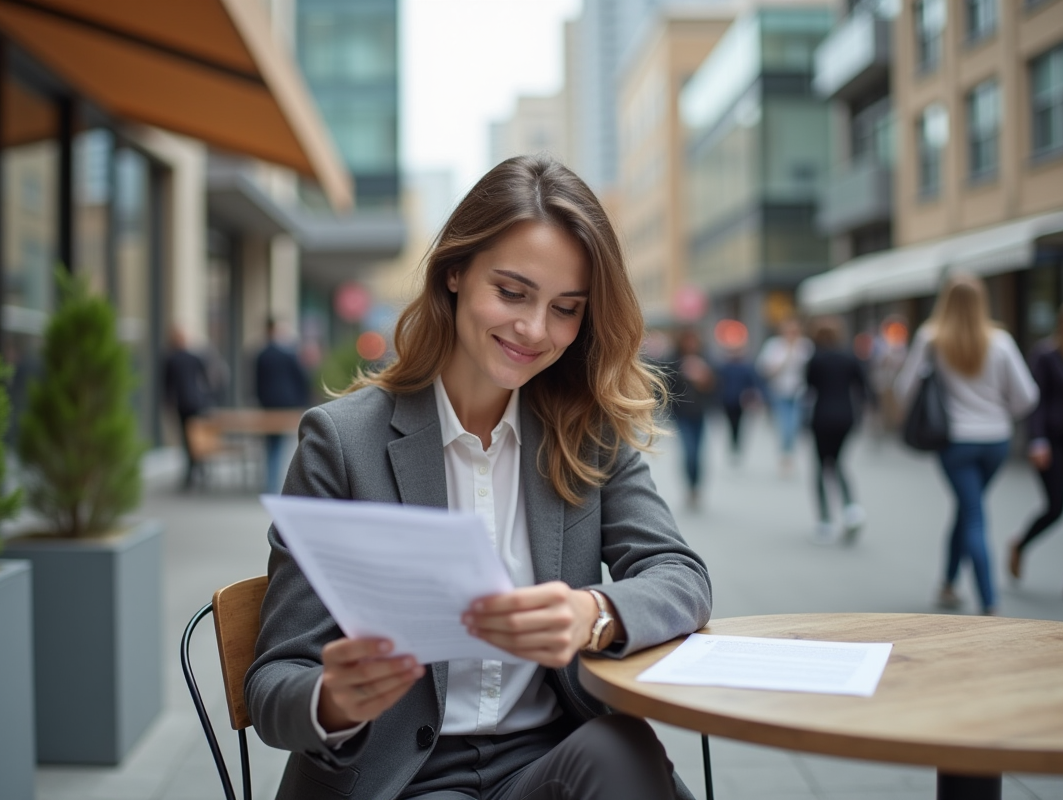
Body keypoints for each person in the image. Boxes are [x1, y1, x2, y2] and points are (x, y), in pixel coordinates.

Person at [246, 155, 713, 800]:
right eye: (513, 292)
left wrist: (594, 612)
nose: (533, 330)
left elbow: (682, 578)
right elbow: (274, 684)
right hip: (401, 778)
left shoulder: (587, 431)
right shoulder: (342, 443)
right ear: (456, 272)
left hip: (544, 765)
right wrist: (334, 698)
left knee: (623, 746)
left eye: (566, 308)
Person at [895, 275, 1038, 616]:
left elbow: (904, 390)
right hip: (996, 442)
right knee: (968, 508)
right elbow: (1027, 397)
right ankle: (947, 583)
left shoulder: (931, 337)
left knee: (972, 514)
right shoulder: (1000, 341)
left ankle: (989, 602)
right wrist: (999, 411)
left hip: (955, 443)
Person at [1008, 297, 1063, 602]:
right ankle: (1020, 544)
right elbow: (1035, 403)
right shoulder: (1045, 356)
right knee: (1056, 508)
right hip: (1054, 440)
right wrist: (1037, 441)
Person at [805, 316, 871, 544]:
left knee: (822, 466)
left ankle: (825, 519)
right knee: (840, 462)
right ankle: (851, 508)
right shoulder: (849, 357)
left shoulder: (816, 359)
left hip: (822, 417)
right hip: (846, 417)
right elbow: (863, 388)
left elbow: (808, 387)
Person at [255, 318, 312, 494]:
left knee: (271, 443)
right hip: (286, 403)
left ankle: (270, 481)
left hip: (268, 404)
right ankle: (273, 483)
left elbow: (256, 381)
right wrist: (303, 401)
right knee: (279, 444)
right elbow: (301, 378)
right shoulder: (289, 353)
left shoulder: (261, 354)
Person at [663, 327, 715, 509]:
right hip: (681, 414)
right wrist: (684, 372)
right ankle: (689, 486)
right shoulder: (673, 360)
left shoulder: (705, 359)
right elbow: (665, 387)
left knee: (699, 454)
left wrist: (704, 377)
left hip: (700, 413)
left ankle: (695, 487)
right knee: (689, 452)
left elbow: (714, 386)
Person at [757, 317, 813, 475]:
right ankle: (785, 455)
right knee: (784, 425)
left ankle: (788, 452)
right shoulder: (774, 346)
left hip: (799, 392)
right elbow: (765, 369)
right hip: (779, 391)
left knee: (795, 424)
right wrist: (786, 357)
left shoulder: (805, 346)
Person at [163, 325, 213, 491]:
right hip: (197, 403)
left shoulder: (171, 358)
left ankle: (192, 471)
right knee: (196, 438)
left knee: (188, 438)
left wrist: (168, 403)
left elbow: (166, 385)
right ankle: (198, 469)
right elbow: (207, 378)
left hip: (182, 404)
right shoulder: (194, 357)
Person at [715, 346, 762, 462]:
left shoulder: (745, 367)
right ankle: (733, 443)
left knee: (738, 424)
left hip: (740, 401)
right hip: (727, 400)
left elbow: (751, 383)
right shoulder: (725, 367)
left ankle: (735, 444)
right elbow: (718, 383)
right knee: (731, 423)